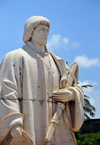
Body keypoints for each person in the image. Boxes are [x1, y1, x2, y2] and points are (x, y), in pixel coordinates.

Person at [0, 16, 84, 145]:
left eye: (47, 30)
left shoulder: (58, 62)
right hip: (28, 124)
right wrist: (13, 123)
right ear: (30, 32)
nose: (45, 33)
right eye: (41, 29)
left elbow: (76, 86)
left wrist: (72, 95)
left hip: (57, 126)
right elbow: (8, 92)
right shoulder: (14, 58)